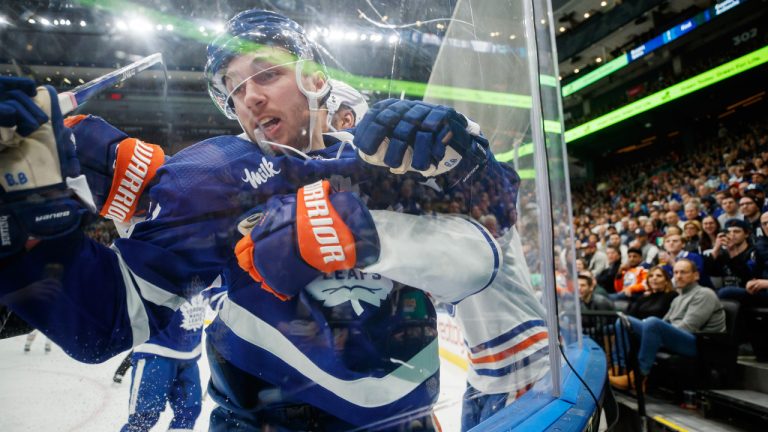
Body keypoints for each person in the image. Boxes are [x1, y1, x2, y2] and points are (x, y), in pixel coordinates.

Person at [0, 9, 546, 431]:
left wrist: (461, 158)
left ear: (312, 79)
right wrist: (25, 232)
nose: (250, 97)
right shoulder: (213, 175)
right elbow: (107, 323)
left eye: (265, 74)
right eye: (234, 90)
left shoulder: (384, 155)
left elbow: (492, 227)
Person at [609, 259, 726, 390]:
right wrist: (655, 331)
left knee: (653, 322)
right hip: (680, 338)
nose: (679, 276)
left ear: (696, 275)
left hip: (700, 343)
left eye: (683, 272)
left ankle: (638, 378)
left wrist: (659, 333)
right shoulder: (678, 298)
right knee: (624, 321)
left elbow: (689, 327)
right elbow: (665, 322)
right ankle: (618, 369)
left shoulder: (704, 294)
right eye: (676, 272)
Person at [121, 287, 226, 432]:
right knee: (143, 417)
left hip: (189, 357)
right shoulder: (162, 264)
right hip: (155, 352)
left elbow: (225, 298)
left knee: (188, 413)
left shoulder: (212, 268)